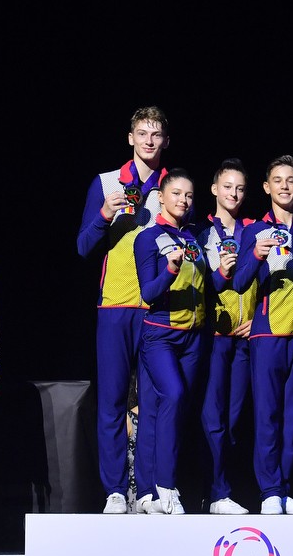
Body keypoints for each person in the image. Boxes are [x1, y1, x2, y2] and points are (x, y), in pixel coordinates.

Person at [76, 106, 169, 514]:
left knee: (153, 403)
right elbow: (83, 246)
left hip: (156, 307)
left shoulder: (172, 186)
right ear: (130, 138)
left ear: (165, 141)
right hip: (114, 305)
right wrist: (103, 215)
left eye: (156, 134)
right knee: (112, 402)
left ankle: (148, 489)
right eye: (142, 133)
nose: (149, 140)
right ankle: (114, 490)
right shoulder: (106, 182)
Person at [233, 155, 293, 515]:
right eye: (277, 180)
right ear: (266, 187)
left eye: (290, 180)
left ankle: (285, 492)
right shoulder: (255, 231)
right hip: (268, 336)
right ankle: (270, 492)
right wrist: (257, 255)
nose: (284, 186)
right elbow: (240, 282)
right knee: (268, 417)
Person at [133, 170, 208, 514]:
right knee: (173, 397)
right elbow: (148, 292)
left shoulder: (194, 238)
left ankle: (146, 493)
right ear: (161, 197)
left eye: (189, 195)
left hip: (192, 337)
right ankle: (165, 485)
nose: (183, 200)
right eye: (176, 193)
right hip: (160, 334)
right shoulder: (148, 238)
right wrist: (171, 270)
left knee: (161, 410)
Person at [199, 159, 255, 515]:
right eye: (227, 186)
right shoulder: (200, 232)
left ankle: (219, 491)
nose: (233, 194)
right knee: (213, 419)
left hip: (246, 338)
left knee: (234, 422)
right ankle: (217, 492)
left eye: (240, 188)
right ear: (214, 189)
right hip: (214, 337)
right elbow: (197, 283)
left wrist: (259, 320)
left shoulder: (254, 231)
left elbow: (269, 280)